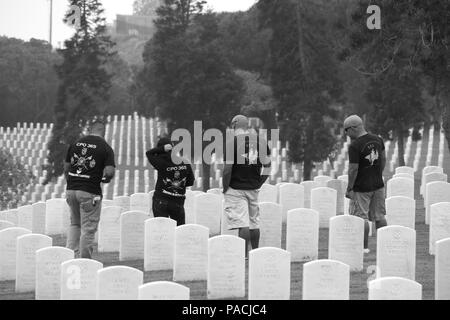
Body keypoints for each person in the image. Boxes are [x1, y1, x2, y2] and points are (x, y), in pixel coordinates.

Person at [64, 119, 115, 259]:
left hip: (71, 190)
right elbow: (110, 172)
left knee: (75, 224)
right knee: (88, 228)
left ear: (90, 130)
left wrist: (71, 182)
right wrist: (105, 179)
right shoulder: (105, 147)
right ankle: (85, 262)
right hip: (89, 191)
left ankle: (70, 257)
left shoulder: (75, 144)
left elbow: (67, 167)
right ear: (103, 132)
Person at [223, 115, 271, 258]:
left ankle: (243, 255)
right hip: (253, 187)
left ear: (234, 126)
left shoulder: (232, 142)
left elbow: (227, 168)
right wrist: (259, 182)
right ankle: (255, 253)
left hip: (236, 187)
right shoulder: (261, 141)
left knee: (242, 222)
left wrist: (225, 186)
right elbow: (268, 166)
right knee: (254, 222)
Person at [344, 115, 387, 253]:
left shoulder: (355, 146)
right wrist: (377, 174)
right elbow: (383, 159)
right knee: (379, 216)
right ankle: (384, 245)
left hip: (361, 186)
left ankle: (363, 248)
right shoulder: (378, 139)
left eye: (346, 130)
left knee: (361, 217)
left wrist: (350, 187)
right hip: (378, 184)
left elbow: (353, 169)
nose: (346, 134)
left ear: (353, 128)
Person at [146, 137, 194, 226]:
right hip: (178, 201)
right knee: (179, 230)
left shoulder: (160, 162)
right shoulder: (185, 162)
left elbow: (149, 153)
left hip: (161, 199)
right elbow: (190, 181)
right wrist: (178, 187)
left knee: (162, 230)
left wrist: (161, 149)